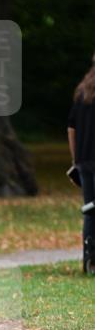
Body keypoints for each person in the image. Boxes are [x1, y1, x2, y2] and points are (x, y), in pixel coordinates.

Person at [67, 56, 95, 274]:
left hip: (85, 161)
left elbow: (71, 128)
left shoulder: (82, 92)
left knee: (90, 210)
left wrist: (75, 159)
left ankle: (89, 260)